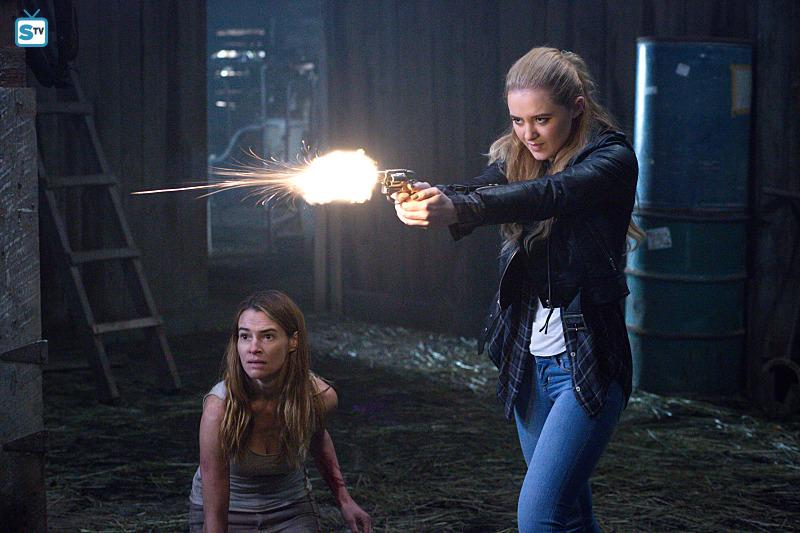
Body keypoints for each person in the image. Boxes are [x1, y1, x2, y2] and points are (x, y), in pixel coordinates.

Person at [394, 47, 643, 532]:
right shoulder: (517, 155)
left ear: (576, 107)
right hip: (530, 362)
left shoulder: (611, 159)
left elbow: (552, 194)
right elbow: (483, 188)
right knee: (570, 515)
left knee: (539, 516)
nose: (528, 134)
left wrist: (460, 208)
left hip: (586, 363)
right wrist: (430, 195)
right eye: (518, 120)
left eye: (541, 119)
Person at [188, 290, 372, 533]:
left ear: (293, 341)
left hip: (290, 506)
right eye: (245, 336)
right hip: (229, 508)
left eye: (267, 336)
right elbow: (215, 509)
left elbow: (318, 440)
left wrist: (345, 501)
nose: (254, 348)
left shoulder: (319, 398)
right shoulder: (219, 410)